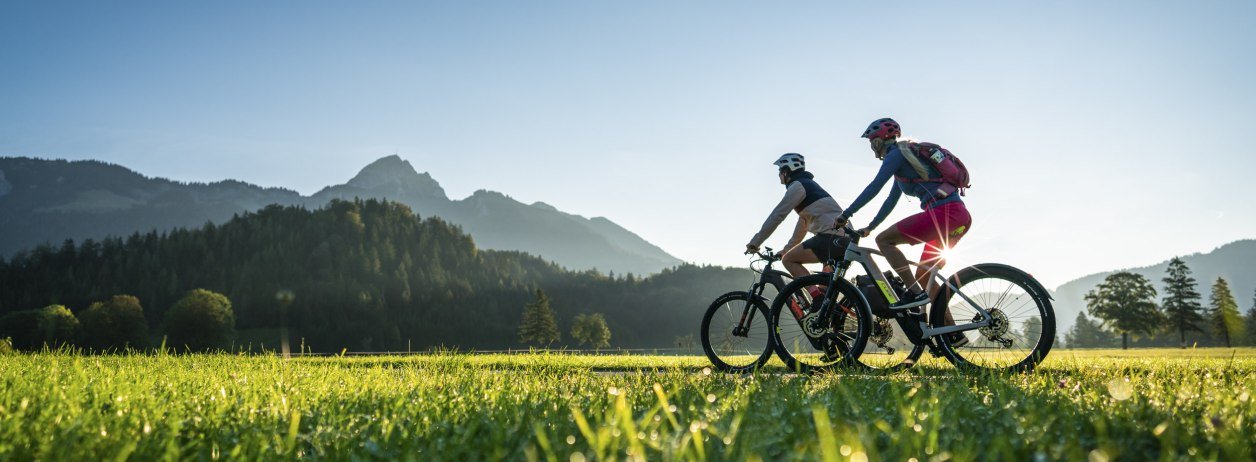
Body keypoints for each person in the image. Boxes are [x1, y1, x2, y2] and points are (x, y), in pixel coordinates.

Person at [835, 118, 973, 317]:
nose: (870, 146)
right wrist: (871, 226)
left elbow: (875, 187)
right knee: (925, 276)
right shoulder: (906, 158)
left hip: (944, 214)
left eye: (871, 141)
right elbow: (890, 201)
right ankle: (953, 337)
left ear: (878, 141)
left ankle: (915, 294)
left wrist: (846, 214)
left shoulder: (896, 155)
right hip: (959, 216)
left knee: (884, 241)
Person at [745, 153, 847, 278]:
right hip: (845, 240)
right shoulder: (810, 188)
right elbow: (802, 226)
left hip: (830, 238)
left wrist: (755, 242)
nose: (779, 175)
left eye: (780, 170)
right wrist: (786, 250)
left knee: (788, 260)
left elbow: (777, 215)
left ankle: (815, 298)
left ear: (787, 171)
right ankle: (820, 297)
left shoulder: (798, 186)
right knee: (827, 292)